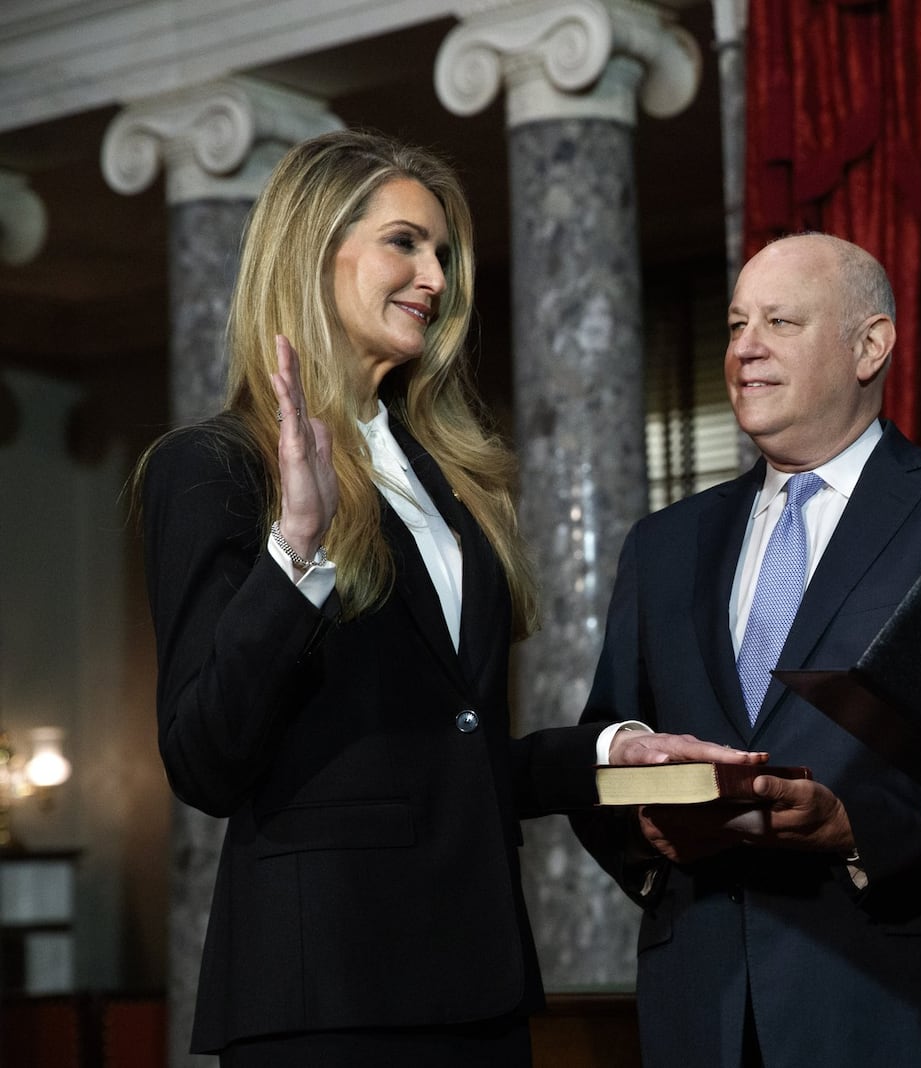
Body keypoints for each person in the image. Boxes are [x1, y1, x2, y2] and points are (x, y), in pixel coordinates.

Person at [135, 128, 747, 1066]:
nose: (435, 277)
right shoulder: (212, 468)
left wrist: (612, 750)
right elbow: (204, 759)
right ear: (313, 248)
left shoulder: (451, 482)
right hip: (327, 991)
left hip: (478, 979)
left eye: (445, 255)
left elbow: (447, 751)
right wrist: (296, 548)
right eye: (406, 243)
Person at [570, 233, 921, 1067]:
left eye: (780, 321)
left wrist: (858, 830)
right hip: (701, 1011)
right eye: (738, 323)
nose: (745, 347)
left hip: (901, 1006)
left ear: (870, 345)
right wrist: (648, 827)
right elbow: (607, 738)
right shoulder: (665, 545)